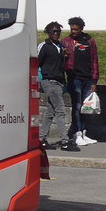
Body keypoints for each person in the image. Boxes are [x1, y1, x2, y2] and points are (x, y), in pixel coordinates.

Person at [61, 16, 99, 147]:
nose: (73, 31)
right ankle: (76, 134)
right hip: (74, 78)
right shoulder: (66, 41)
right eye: (71, 29)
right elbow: (61, 61)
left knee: (86, 108)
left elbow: (94, 61)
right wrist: (64, 56)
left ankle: (84, 133)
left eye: (76, 29)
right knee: (77, 106)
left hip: (88, 78)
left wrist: (94, 81)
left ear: (81, 28)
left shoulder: (90, 41)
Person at [36, 22, 74, 151]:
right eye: (53, 31)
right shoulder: (44, 46)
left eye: (58, 31)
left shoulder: (59, 46)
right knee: (60, 111)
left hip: (58, 82)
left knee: (50, 112)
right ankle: (64, 141)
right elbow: (37, 63)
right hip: (49, 81)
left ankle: (41, 139)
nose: (56, 34)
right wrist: (40, 80)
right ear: (48, 32)